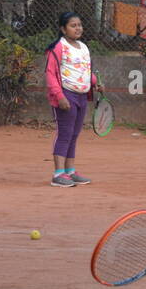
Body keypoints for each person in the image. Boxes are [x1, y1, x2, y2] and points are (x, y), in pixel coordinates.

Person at [44, 11, 99, 187]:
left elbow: (85, 70)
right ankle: (58, 174)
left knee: (74, 134)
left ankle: (70, 171)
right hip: (66, 95)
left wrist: (95, 83)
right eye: (73, 25)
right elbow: (50, 74)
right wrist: (59, 96)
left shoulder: (83, 47)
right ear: (63, 28)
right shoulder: (57, 47)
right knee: (64, 133)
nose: (78, 28)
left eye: (79, 25)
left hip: (82, 96)